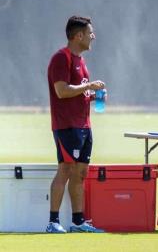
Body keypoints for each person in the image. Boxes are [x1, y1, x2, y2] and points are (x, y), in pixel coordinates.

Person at [46, 16, 105, 233]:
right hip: (66, 126)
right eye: (90, 33)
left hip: (84, 125)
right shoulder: (61, 59)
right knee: (65, 170)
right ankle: (52, 222)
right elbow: (61, 91)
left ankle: (78, 222)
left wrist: (92, 96)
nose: (93, 36)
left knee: (80, 173)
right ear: (78, 35)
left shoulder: (81, 60)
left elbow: (77, 92)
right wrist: (89, 85)